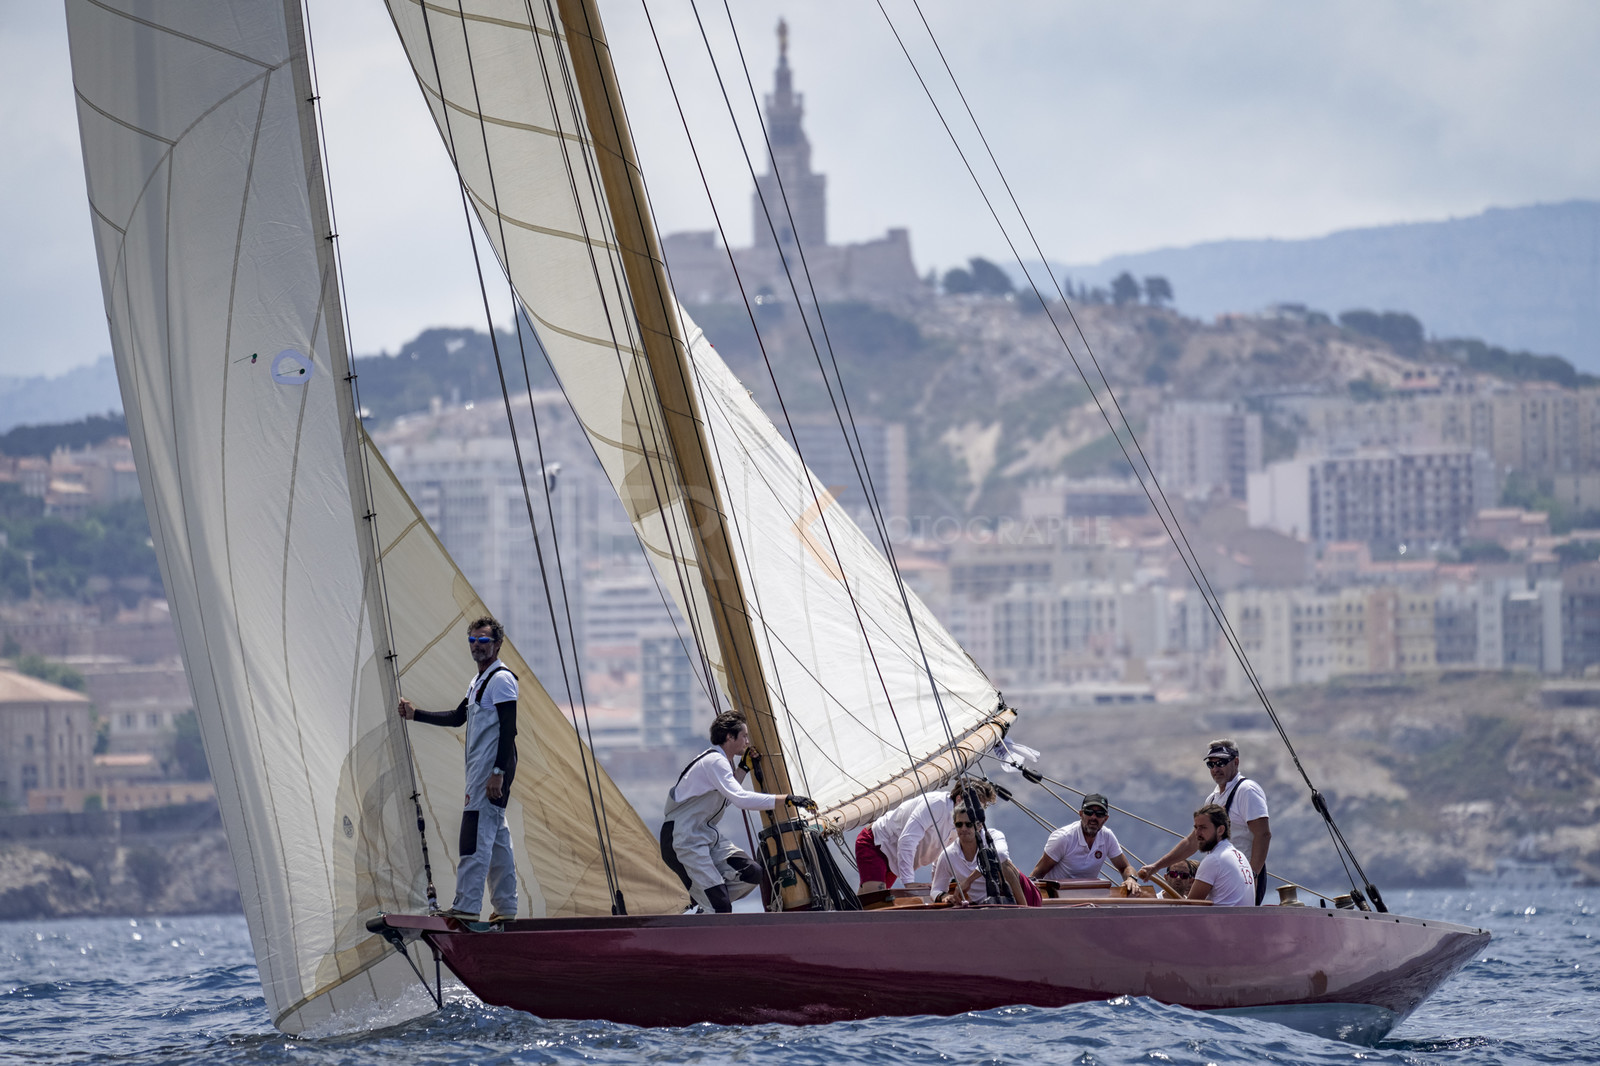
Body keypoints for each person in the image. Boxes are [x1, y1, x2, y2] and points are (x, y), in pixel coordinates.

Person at [397, 616, 519, 922]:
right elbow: (456, 717)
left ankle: (466, 907)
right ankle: (506, 908)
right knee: (497, 839)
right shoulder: (478, 681)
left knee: (473, 836)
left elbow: (509, 730)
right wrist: (415, 714)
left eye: (484, 640)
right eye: (473, 640)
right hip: (481, 771)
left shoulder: (501, 679)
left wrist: (498, 773)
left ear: (497, 644)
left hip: (490, 772)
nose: (477, 646)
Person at [660, 710, 814, 913]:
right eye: (744, 736)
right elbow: (740, 799)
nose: (747, 742)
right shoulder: (715, 761)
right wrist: (786, 799)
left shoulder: (719, 762)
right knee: (721, 907)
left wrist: (743, 768)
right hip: (682, 839)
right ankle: (711, 904)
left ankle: (708, 904)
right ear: (729, 737)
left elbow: (726, 800)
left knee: (752, 873)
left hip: (704, 836)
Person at [1137, 739, 1272, 904]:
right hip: (1223, 874)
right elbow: (1191, 842)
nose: (1215, 769)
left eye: (1221, 763)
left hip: (1245, 875)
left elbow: (1263, 834)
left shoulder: (1246, 790)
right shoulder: (1213, 799)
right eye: (1211, 764)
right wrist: (1156, 867)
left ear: (1236, 762)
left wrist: (1253, 874)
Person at [856, 777, 998, 892]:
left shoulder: (962, 822)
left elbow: (942, 856)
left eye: (982, 807)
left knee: (866, 903)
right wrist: (909, 883)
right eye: (977, 806)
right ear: (959, 799)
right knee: (876, 900)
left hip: (896, 857)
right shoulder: (935, 805)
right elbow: (907, 840)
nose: (979, 812)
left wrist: (937, 888)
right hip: (877, 843)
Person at [1030, 793, 1139, 894]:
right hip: (1057, 898)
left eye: (1099, 814)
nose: (1093, 817)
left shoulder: (1107, 837)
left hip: (1088, 898)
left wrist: (1131, 879)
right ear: (1081, 814)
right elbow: (1037, 873)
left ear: (1105, 819)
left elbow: (1125, 867)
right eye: (1089, 812)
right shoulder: (1063, 838)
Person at [928, 811, 1027, 905]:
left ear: (980, 825)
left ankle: (1024, 910)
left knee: (1003, 864)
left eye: (969, 824)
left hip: (1022, 895)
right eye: (959, 824)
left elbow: (1000, 855)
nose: (963, 828)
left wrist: (968, 880)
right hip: (984, 906)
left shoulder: (993, 836)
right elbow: (936, 889)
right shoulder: (948, 855)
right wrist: (945, 896)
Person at [1185, 804, 1255, 906]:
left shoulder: (1214, 860)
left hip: (1225, 916)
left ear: (1220, 830)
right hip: (1244, 916)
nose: (1197, 833)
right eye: (1196, 828)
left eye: (1203, 828)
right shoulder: (1240, 856)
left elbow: (1190, 907)